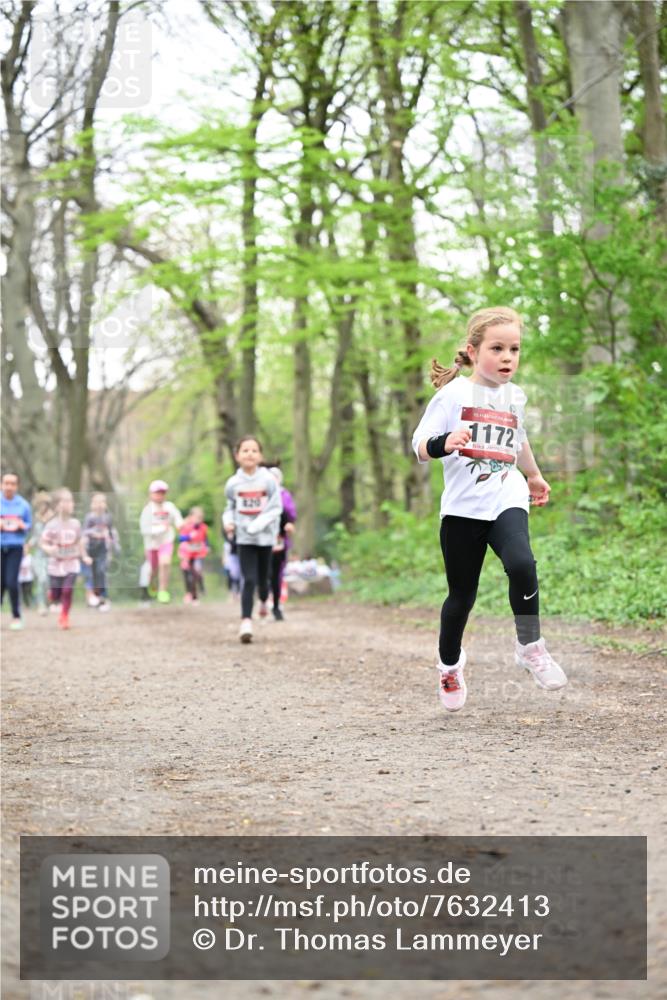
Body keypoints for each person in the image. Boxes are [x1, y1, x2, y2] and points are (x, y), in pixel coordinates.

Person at [412, 306, 568, 713]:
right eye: (497, 348)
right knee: (462, 596)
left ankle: (530, 646)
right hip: (463, 510)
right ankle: (449, 665)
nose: (507, 358)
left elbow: (519, 441)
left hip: (506, 496)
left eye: (514, 349)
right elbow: (418, 445)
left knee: (522, 564)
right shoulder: (453, 395)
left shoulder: (515, 396)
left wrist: (533, 476)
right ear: (472, 350)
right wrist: (444, 442)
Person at [222, 437, 282, 643]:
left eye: (254, 450)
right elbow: (229, 508)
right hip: (244, 538)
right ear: (237, 455)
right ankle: (246, 621)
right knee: (248, 579)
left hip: (265, 537)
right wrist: (228, 522)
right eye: (245, 450)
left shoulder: (268, 481)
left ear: (260, 456)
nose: (249, 454)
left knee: (264, 579)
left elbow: (276, 508)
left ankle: (264, 601)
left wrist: (257, 525)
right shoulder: (233, 483)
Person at [40, 488, 92, 630]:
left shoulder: (76, 524)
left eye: (71, 501)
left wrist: (85, 556)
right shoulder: (51, 525)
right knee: (56, 593)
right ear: (57, 505)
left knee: (67, 590)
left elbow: (79, 542)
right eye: (65, 501)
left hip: (72, 562)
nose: (69, 504)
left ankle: (64, 616)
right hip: (56, 564)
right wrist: (49, 549)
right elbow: (43, 542)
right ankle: (52, 595)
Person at [139, 480, 183, 604]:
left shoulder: (169, 507)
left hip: (166, 541)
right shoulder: (147, 510)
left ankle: (163, 590)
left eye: (162, 493)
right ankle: (153, 582)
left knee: (165, 563)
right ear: (151, 494)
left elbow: (177, 518)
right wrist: (160, 529)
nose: (160, 496)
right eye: (157, 493)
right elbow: (144, 530)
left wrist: (179, 524)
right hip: (151, 544)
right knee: (153, 568)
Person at [1, 472, 32, 630]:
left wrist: (22, 526)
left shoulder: (23, 505)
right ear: (1, 484)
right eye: (6, 483)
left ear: (17, 486)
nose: (9, 487)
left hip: (15, 547)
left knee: (11, 582)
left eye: (13, 483)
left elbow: (29, 526)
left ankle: (16, 616)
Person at [268, 466, 296, 621]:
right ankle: (264, 599)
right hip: (261, 538)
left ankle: (276, 605)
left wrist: (289, 524)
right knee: (264, 572)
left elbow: (291, 514)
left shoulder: (284, 494)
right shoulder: (259, 494)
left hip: (279, 539)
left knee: (277, 574)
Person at [83, 492, 119, 611]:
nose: (99, 505)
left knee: (101, 571)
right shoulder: (90, 517)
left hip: (103, 549)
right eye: (96, 502)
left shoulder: (107, 517)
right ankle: (93, 598)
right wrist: (93, 533)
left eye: (102, 502)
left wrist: (115, 545)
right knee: (92, 575)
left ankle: (103, 597)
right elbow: (84, 532)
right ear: (92, 505)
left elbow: (111, 532)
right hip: (91, 548)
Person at [178, 506, 209, 604]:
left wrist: (207, 546)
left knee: (197, 572)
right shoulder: (186, 527)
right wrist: (188, 537)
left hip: (198, 554)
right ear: (191, 517)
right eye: (196, 517)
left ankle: (198, 593)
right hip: (187, 555)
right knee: (188, 575)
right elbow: (180, 539)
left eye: (200, 518)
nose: (198, 520)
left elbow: (205, 538)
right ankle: (190, 594)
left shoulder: (204, 527)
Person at [30, 492, 53, 615]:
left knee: (48, 581)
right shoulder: (36, 517)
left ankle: (48, 602)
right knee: (41, 578)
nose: (42, 507)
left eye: (44, 504)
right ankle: (41, 604)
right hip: (39, 554)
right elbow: (35, 536)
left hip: (50, 554)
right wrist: (29, 544)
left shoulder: (53, 518)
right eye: (40, 504)